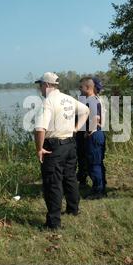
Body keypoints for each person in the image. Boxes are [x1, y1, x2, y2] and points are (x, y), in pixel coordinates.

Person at [34, 72, 90, 230]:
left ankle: (53, 223)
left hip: (54, 147)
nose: (39, 88)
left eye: (40, 85)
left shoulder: (48, 102)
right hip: (70, 145)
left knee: (53, 183)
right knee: (70, 177)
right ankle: (73, 209)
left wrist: (39, 148)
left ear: (46, 85)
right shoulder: (68, 98)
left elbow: (40, 128)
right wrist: (76, 129)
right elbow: (85, 110)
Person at [78, 77, 107, 200]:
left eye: (81, 87)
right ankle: (100, 187)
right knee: (96, 163)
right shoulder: (92, 99)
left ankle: (98, 191)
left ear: (87, 87)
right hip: (96, 134)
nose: (80, 89)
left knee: (94, 164)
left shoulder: (91, 100)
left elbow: (96, 118)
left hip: (94, 135)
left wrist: (89, 131)